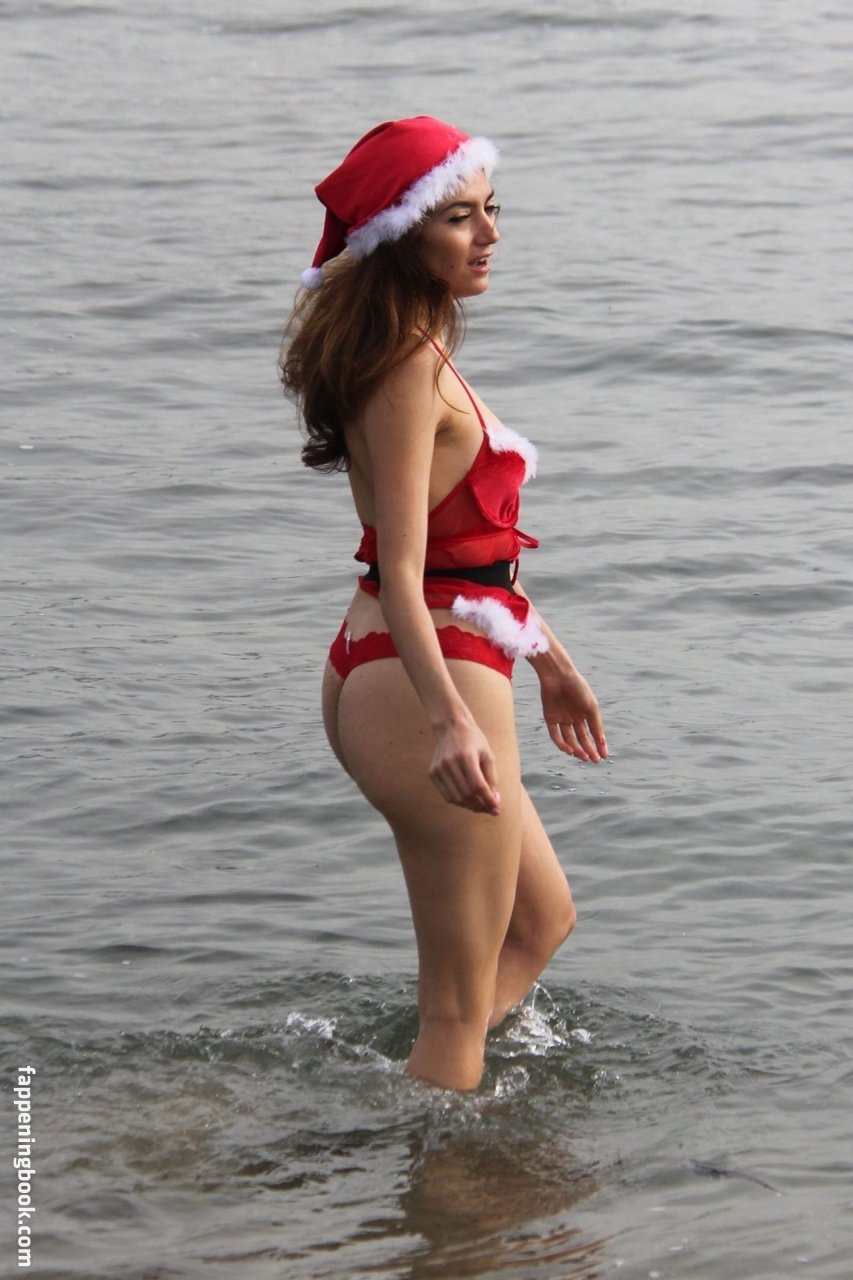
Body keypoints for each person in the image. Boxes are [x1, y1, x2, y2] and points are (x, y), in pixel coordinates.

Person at [281, 116, 608, 1091]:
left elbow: (475, 552)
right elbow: (403, 566)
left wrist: (551, 662)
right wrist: (448, 719)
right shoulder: (405, 365)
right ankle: (442, 1176)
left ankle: (397, 1112)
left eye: (490, 210)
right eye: (459, 217)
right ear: (400, 235)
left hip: (409, 655)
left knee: (541, 921)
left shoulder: (419, 345)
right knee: (456, 1008)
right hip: (421, 671)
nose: (489, 234)